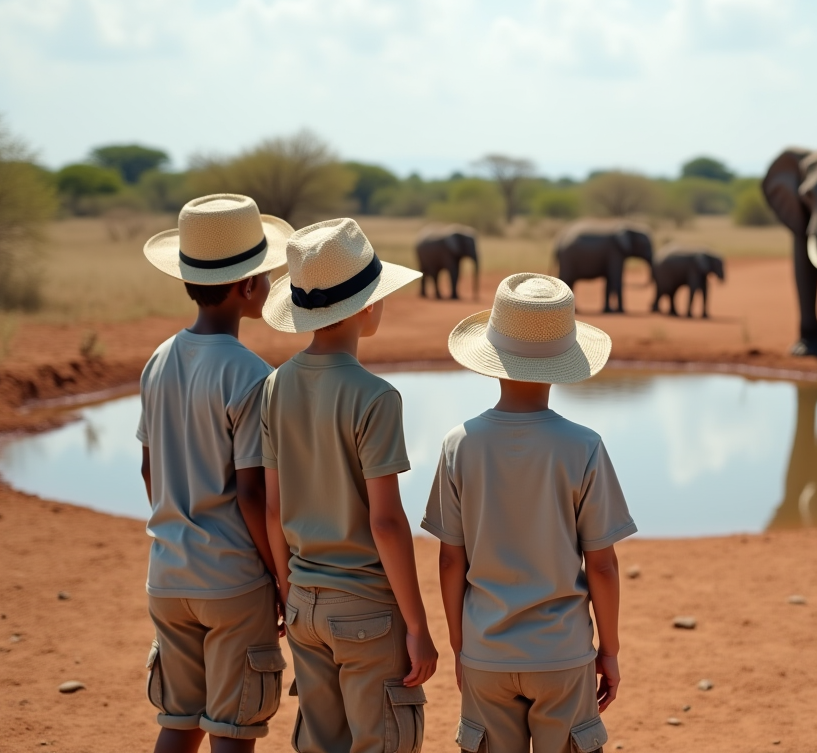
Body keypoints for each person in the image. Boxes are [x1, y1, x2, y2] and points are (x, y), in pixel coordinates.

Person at [423, 272, 637, 753]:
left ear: (492, 359)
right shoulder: (583, 446)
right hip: (562, 654)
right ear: (564, 362)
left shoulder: (459, 445)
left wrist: (462, 647)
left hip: (486, 652)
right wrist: (610, 650)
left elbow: (449, 560)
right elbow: (601, 564)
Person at [259, 218, 438, 753]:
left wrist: (291, 594)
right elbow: (384, 522)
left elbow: (273, 510)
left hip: (303, 602)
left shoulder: (274, 385)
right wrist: (417, 624)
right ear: (364, 307)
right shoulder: (376, 397)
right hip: (365, 610)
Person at [137, 194, 294, 752]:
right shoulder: (252, 375)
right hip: (231, 579)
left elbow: (148, 468)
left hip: (168, 573)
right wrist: (279, 576)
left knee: (177, 723)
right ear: (248, 287)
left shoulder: (158, 359)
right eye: (267, 273)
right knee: (233, 728)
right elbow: (252, 493)